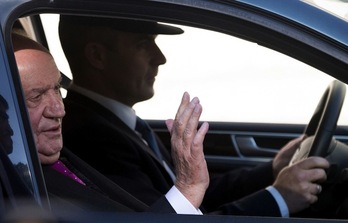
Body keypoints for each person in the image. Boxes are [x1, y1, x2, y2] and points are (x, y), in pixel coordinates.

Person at [58, 15, 329, 217]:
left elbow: (195, 192)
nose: (160, 57)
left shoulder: (118, 122)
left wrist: (271, 170)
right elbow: (170, 215)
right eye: (144, 44)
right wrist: (278, 197)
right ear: (97, 56)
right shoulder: (92, 138)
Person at [12, 32, 211, 214]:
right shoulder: (14, 187)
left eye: (57, 89)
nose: (59, 110)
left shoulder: (58, 157)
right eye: (36, 96)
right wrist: (188, 189)